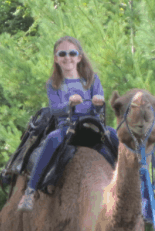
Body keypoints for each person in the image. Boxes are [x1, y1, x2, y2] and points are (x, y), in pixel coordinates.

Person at [17, 35, 119, 211]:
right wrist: (69, 104)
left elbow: (100, 110)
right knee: (52, 139)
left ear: (79, 57)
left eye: (72, 53)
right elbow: (55, 110)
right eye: (62, 54)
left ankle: (140, 187)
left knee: (116, 136)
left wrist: (98, 104)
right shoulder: (53, 84)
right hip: (68, 127)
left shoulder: (92, 80)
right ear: (56, 59)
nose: (67, 57)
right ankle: (31, 190)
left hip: (92, 127)